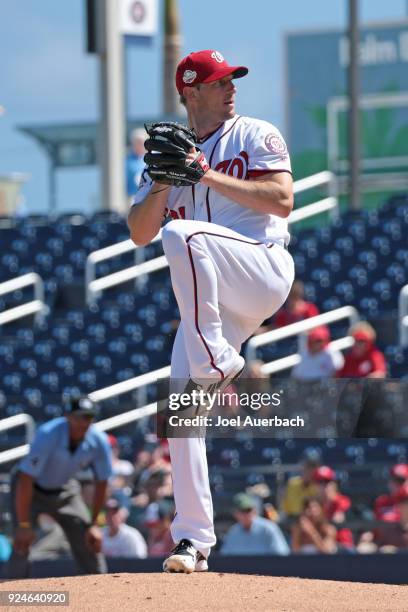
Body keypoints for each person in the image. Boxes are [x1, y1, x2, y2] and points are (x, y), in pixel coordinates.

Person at [128, 49, 294, 573]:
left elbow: (282, 199)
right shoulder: (169, 155)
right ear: (191, 91)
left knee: (182, 233)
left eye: (232, 79)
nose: (231, 87)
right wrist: (160, 182)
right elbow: (138, 232)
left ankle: (218, 363)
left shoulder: (255, 134)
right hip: (213, 306)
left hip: (260, 269)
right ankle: (193, 540)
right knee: (179, 414)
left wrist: (205, 177)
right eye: (220, 81)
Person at [8, 396, 112, 578]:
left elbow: (102, 483)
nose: (83, 422)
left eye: (88, 417)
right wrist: (24, 524)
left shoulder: (99, 441)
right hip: (31, 488)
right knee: (22, 540)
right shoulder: (48, 434)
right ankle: (11, 594)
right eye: (79, 417)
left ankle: (99, 589)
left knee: (88, 537)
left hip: (64, 488)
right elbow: (26, 478)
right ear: (67, 416)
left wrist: (94, 523)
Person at [220, 493, 289, 556]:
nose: (247, 514)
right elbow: (224, 557)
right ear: (235, 513)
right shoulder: (233, 531)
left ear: (254, 510)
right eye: (243, 511)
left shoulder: (268, 528)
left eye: (249, 510)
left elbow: (282, 555)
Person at [280, 449, 321, 518]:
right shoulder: (292, 483)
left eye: (313, 466)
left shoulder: (320, 486)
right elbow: (284, 511)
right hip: (293, 520)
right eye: (308, 466)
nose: (310, 470)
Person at [126, 128, 147, 197]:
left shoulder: (152, 159)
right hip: (132, 198)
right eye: (137, 142)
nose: (140, 145)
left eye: (142, 142)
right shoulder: (126, 161)